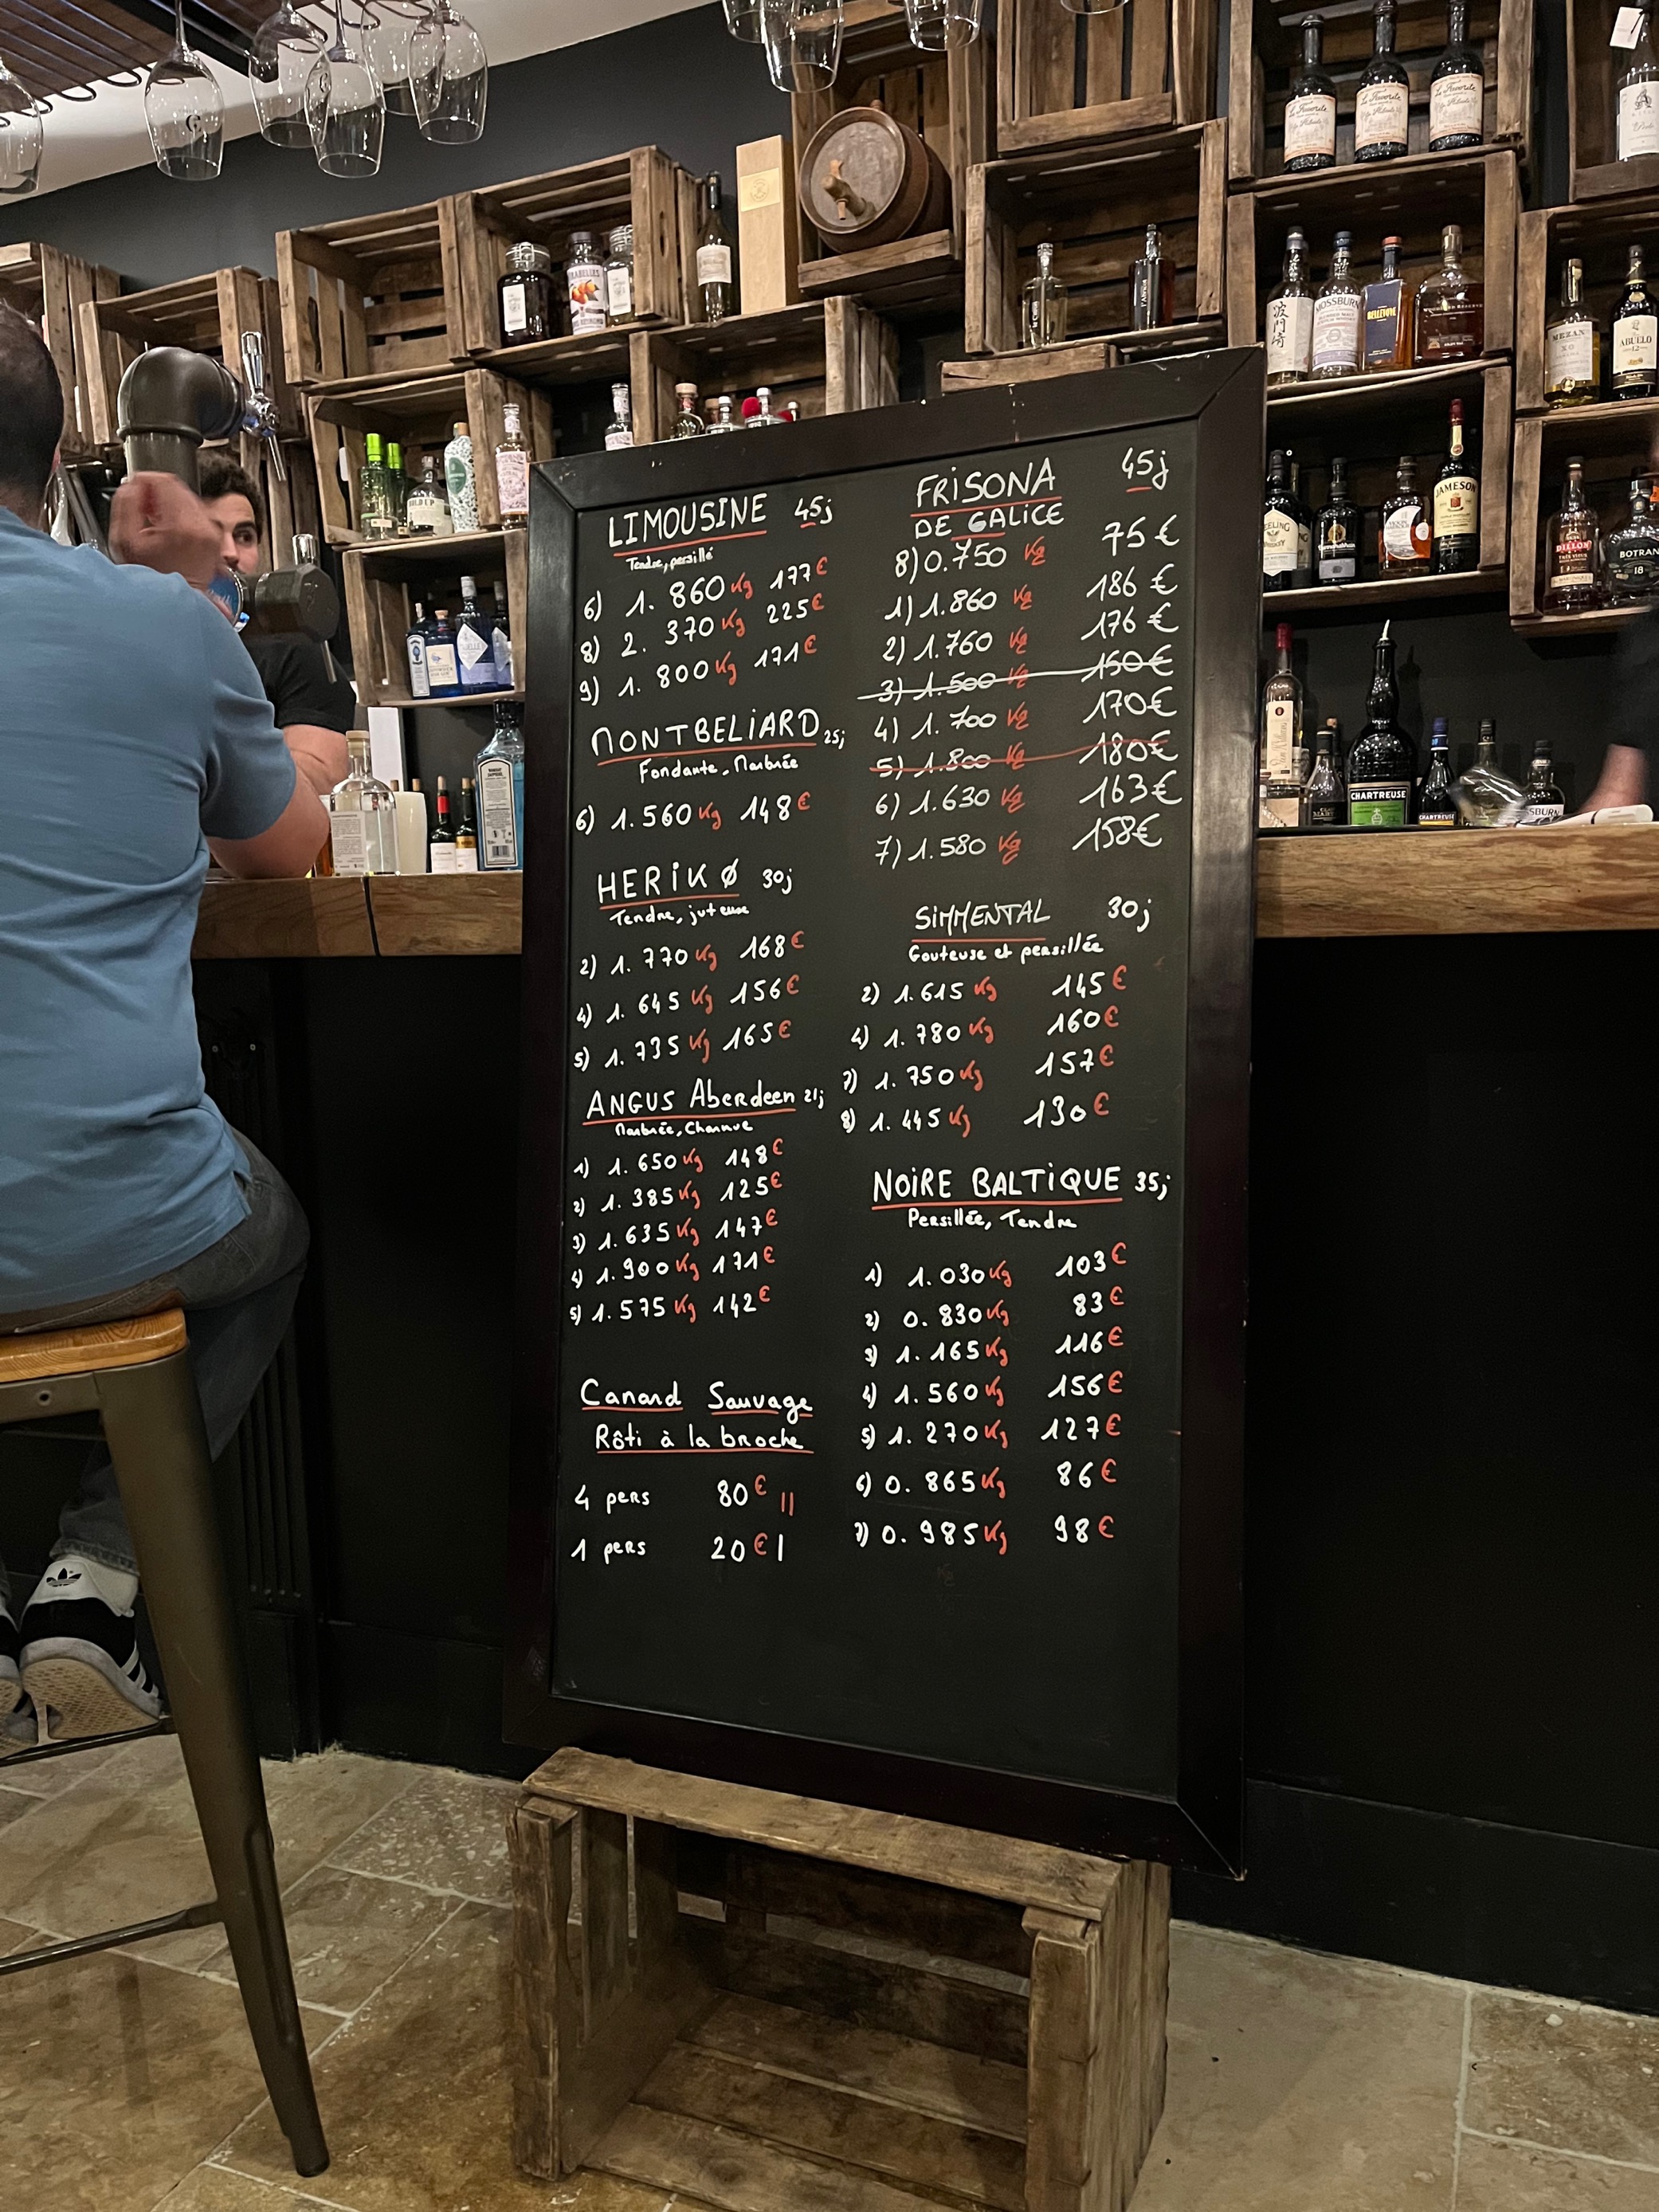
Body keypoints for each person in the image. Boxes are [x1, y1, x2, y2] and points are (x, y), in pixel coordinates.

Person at [0, 304, 330, 1747]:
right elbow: (287, 855)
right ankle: (96, 1579)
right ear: (55, 461)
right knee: (269, 1236)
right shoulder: (160, 619)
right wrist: (186, 592)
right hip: (116, 1218)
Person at [197, 450, 353, 801]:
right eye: (210, 533)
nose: (231, 552)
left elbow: (316, 782)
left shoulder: (296, 650)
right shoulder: (141, 642)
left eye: (244, 536)